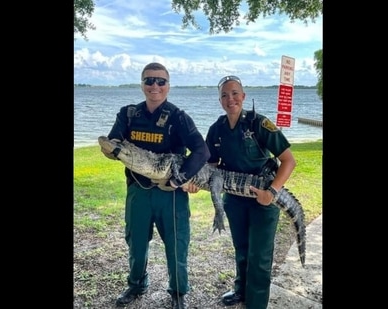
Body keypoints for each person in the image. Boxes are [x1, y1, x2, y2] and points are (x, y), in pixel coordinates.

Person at [100, 62, 210, 309]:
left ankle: (179, 292)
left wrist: (181, 179)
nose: (154, 86)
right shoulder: (128, 114)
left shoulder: (179, 117)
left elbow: (202, 151)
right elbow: (113, 142)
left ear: (168, 86)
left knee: (176, 244)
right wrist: (109, 150)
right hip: (138, 191)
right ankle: (137, 284)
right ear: (142, 84)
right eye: (149, 80)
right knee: (136, 242)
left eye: (160, 81)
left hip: (170, 194)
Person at [205, 75, 296, 308]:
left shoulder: (259, 124)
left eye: (235, 93)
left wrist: (272, 193)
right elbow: (211, 167)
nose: (230, 99)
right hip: (234, 199)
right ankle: (241, 291)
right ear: (219, 100)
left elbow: (288, 161)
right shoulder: (216, 129)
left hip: (264, 199)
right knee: (242, 249)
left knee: (260, 256)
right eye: (224, 95)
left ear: (243, 96)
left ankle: (255, 303)